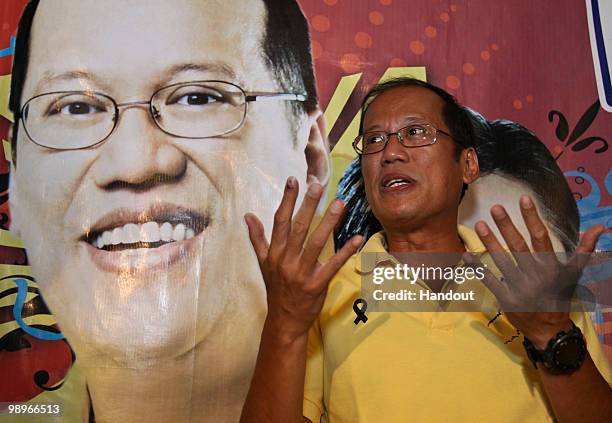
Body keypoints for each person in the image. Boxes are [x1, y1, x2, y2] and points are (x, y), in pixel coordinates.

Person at [7, 0, 329, 421]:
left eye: (197, 97)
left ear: (309, 154)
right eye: (76, 107)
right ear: (15, 167)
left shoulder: (375, 314)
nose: (134, 163)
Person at [240, 77, 612, 422]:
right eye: (373, 140)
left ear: (468, 164)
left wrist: (551, 333)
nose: (391, 153)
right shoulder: (321, 295)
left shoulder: (536, 278)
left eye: (415, 132)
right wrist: (285, 325)